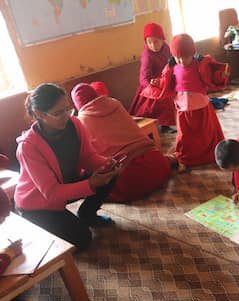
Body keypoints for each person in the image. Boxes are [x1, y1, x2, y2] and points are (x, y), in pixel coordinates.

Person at [15, 83, 120, 251]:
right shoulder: (29, 147)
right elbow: (52, 193)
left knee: (109, 173)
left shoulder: (75, 124)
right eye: (58, 113)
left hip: (65, 185)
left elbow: (87, 157)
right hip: (37, 204)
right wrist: (90, 184)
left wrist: (106, 163)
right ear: (40, 114)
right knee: (82, 240)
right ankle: (37, 227)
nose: (66, 116)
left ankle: (87, 215)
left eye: (68, 109)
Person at [71, 82, 171, 202]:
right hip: (158, 164)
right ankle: (171, 159)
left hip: (130, 181)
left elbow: (89, 159)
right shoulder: (114, 103)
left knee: (95, 185)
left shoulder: (81, 121)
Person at [142, 33, 226, 172]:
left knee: (208, 134)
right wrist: (157, 82)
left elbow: (214, 74)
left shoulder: (201, 64)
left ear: (192, 53)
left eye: (186, 57)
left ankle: (214, 154)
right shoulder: (171, 68)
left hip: (202, 107)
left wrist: (219, 75)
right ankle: (184, 159)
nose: (181, 61)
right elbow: (165, 82)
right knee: (185, 137)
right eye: (177, 57)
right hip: (183, 108)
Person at [128, 23, 177, 133]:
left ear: (162, 40)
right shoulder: (147, 55)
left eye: (156, 41)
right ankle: (148, 128)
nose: (153, 45)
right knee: (149, 108)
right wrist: (151, 84)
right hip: (149, 86)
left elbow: (171, 62)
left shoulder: (166, 48)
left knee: (167, 100)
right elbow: (144, 77)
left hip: (163, 81)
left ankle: (165, 125)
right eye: (149, 42)